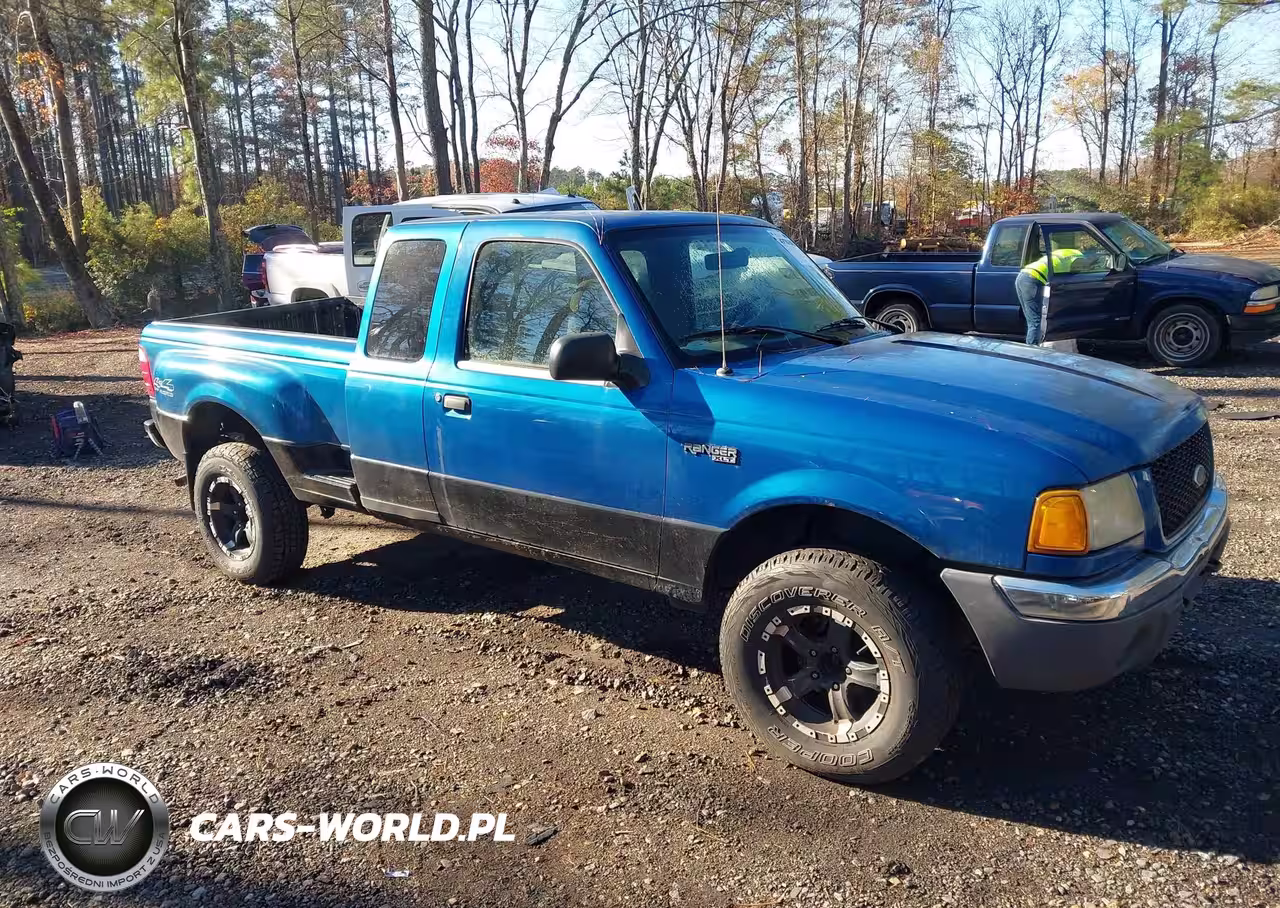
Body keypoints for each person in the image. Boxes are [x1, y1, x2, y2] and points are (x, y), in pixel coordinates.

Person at [1016, 243, 1090, 345]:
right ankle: (1032, 352)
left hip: (1023, 275)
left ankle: (1033, 345)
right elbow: (1072, 277)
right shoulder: (1078, 260)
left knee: (1031, 319)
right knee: (1035, 321)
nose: (1082, 268)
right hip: (1034, 279)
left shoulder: (1070, 252)